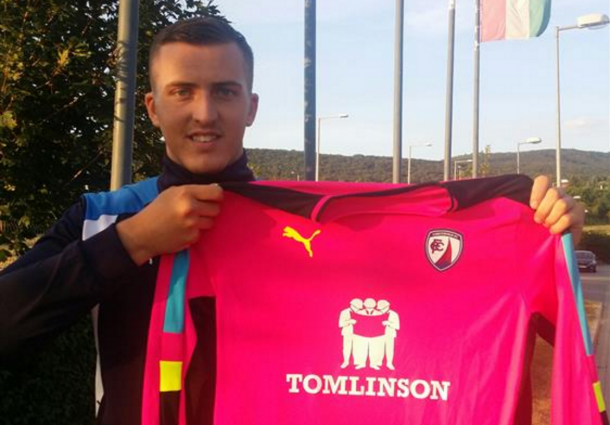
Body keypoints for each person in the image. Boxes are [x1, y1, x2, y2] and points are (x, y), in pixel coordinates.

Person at [0, 16, 585, 425]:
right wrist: (130, 243)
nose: (205, 113)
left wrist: (539, 236)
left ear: (251, 107)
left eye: (225, 92)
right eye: (183, 91)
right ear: (153, 107)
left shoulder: (314, 231)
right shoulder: (103, 219)